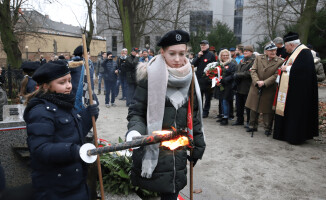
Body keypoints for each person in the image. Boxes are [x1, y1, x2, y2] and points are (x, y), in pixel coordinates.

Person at [126, 30, 205, 200]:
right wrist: (135, 132)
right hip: (153, 149)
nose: (177, 59)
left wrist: (199, 143)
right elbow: (137, 112)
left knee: (171, 193)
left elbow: (194, 116)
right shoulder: (149, 77)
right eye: (172, 53)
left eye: (182, 54)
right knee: (148, 193)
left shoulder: (191, 79)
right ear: (162, 52)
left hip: (178, 153)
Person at [23, 62, 99, 200]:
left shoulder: (63, 103)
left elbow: (72, 133)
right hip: (55, 188)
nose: (69, 85)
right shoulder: (40, 111)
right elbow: (40, 149)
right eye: (62, 82)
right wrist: (73, 151)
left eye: (69, 80)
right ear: (46, 85)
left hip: (74, 181)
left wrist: (88, 117)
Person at [273, 32, 319, 144]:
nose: (285, 49)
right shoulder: (295, 53)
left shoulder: (305, 53)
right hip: (291, 90)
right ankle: (285, 133)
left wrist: (287, 69)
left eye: (286, 46)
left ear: (291, 45)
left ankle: (295, 136)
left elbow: (304, 71)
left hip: (300, 92)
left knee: (296, 114)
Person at [245, 42, 284, 136]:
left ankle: (268, 128)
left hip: (269, 88)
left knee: (267, 110)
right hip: (256, 87)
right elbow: (253, 70)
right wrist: (257, 81)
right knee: (253, 107)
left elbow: (276, 75)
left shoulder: (280, 61)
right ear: (266, 51)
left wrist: (265, 83)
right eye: (271, 50)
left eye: (274, 50)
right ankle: (252, 125)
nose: (273, 52)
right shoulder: (258, 58)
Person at [232, 45, 256, 128]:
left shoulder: (253, 61)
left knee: (248, 106)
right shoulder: (242, 60)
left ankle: (249, 121)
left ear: (251, 52)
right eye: (245, 51)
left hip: (247, 86)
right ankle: (239, 120)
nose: (245, 52)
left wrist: (238, 75)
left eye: (248, 51)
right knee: (239, 105)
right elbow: (238, 69)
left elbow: (249, 73)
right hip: (239, 86)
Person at [192, 40, 216, 118]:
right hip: (199, 79)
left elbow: (214, 66)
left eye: (204, 45)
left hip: (208, 79)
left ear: (208, 46)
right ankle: (200, 111)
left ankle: (206, 111)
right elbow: (193, 64)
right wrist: (198, 57)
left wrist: (211, 77)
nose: (203, 46)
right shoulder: (199, 54)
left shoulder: (211, 55)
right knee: (199, 96)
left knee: (208, 97)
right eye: (201, 45)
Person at [214, 49, 236, 125]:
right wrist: (215, 79)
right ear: (221, 56)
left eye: (227, 55)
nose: (225, 57)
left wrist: (224, 79)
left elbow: (233, 75)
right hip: (220, 85)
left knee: (225, 101)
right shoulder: (218, 64)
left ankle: (226, 117)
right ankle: (222, 115)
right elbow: (214, 73)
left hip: (228, 86)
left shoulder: (232, 64)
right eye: (223, 55)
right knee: (221, 101)